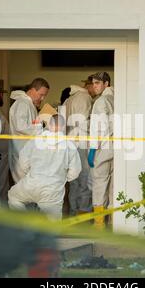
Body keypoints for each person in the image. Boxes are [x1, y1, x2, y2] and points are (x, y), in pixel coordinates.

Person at [8, 114, 82, 220]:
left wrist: (29, 173)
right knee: (53, 226)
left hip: (31, 185)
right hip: (53, 191)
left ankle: (23, 224)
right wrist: (63, 179)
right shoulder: (69, 145)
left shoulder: (35, 140)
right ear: (63, 127)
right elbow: (75, 171)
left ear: (49, 125)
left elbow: (23, 161)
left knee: (13, 196)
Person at [62, 78, 94, 216]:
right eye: (95, 85)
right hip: (81, 142)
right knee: (85, 180)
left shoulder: (69, 100)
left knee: (73, 180)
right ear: (89, 85)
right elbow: (82, 123)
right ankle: (83, 214)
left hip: (69, 143)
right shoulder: (85, 97)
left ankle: (73, 212)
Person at [9, 78, 50, 184]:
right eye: (41, 94)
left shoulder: (28, 104)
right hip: (21, 152)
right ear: (32, 90)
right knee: (23, 188)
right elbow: (21, 126)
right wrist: (41, 127)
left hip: (27, 153)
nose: (42, 98)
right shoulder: (22, 103)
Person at [87, 72, 114, 229]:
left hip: (102, 147)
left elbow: (99, 127)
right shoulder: (116, 98)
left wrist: (92, 148)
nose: (94, 86)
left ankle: (98, 224)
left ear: (106, 84)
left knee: (99, 184)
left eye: (98, 83)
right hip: (115, 148)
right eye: (93, 83)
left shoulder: (101, 101)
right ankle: (111, 221)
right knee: (112, 186)